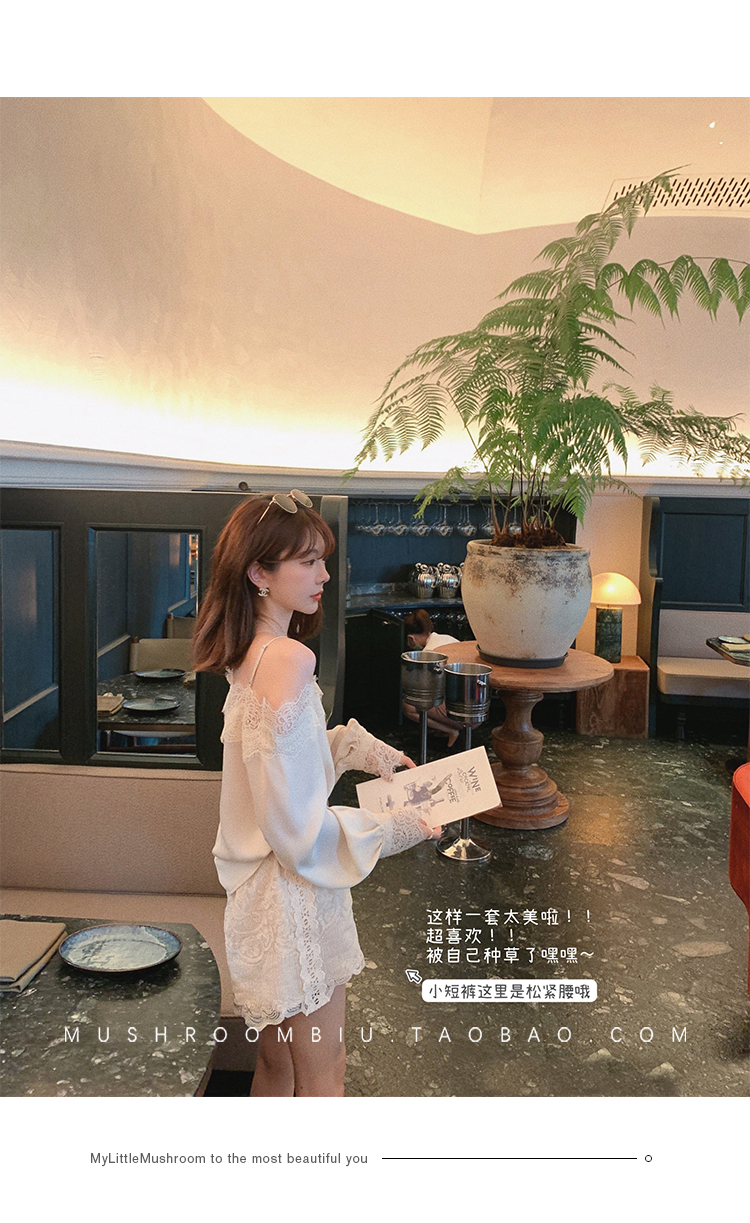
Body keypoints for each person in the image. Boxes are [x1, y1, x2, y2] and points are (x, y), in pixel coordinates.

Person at [193, 492, 441, 1097]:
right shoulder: (288, 658)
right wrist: (396, 826)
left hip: (258, 891)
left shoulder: (249, 654)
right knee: (325, 1069)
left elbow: (275, 767)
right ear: (259, 572)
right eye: (307, 562)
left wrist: (356, 749)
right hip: (293, 894)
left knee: (277, 1067)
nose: (324, 576)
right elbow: (296, 826)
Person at [402, 609, 463, 747]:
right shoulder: (446, 638)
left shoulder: (428, 654)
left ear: (411, 638)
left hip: (458, 713)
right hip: (475, 708)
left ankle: (451, 730)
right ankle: (445, 728)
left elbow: (429, 691)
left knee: (408, 706)